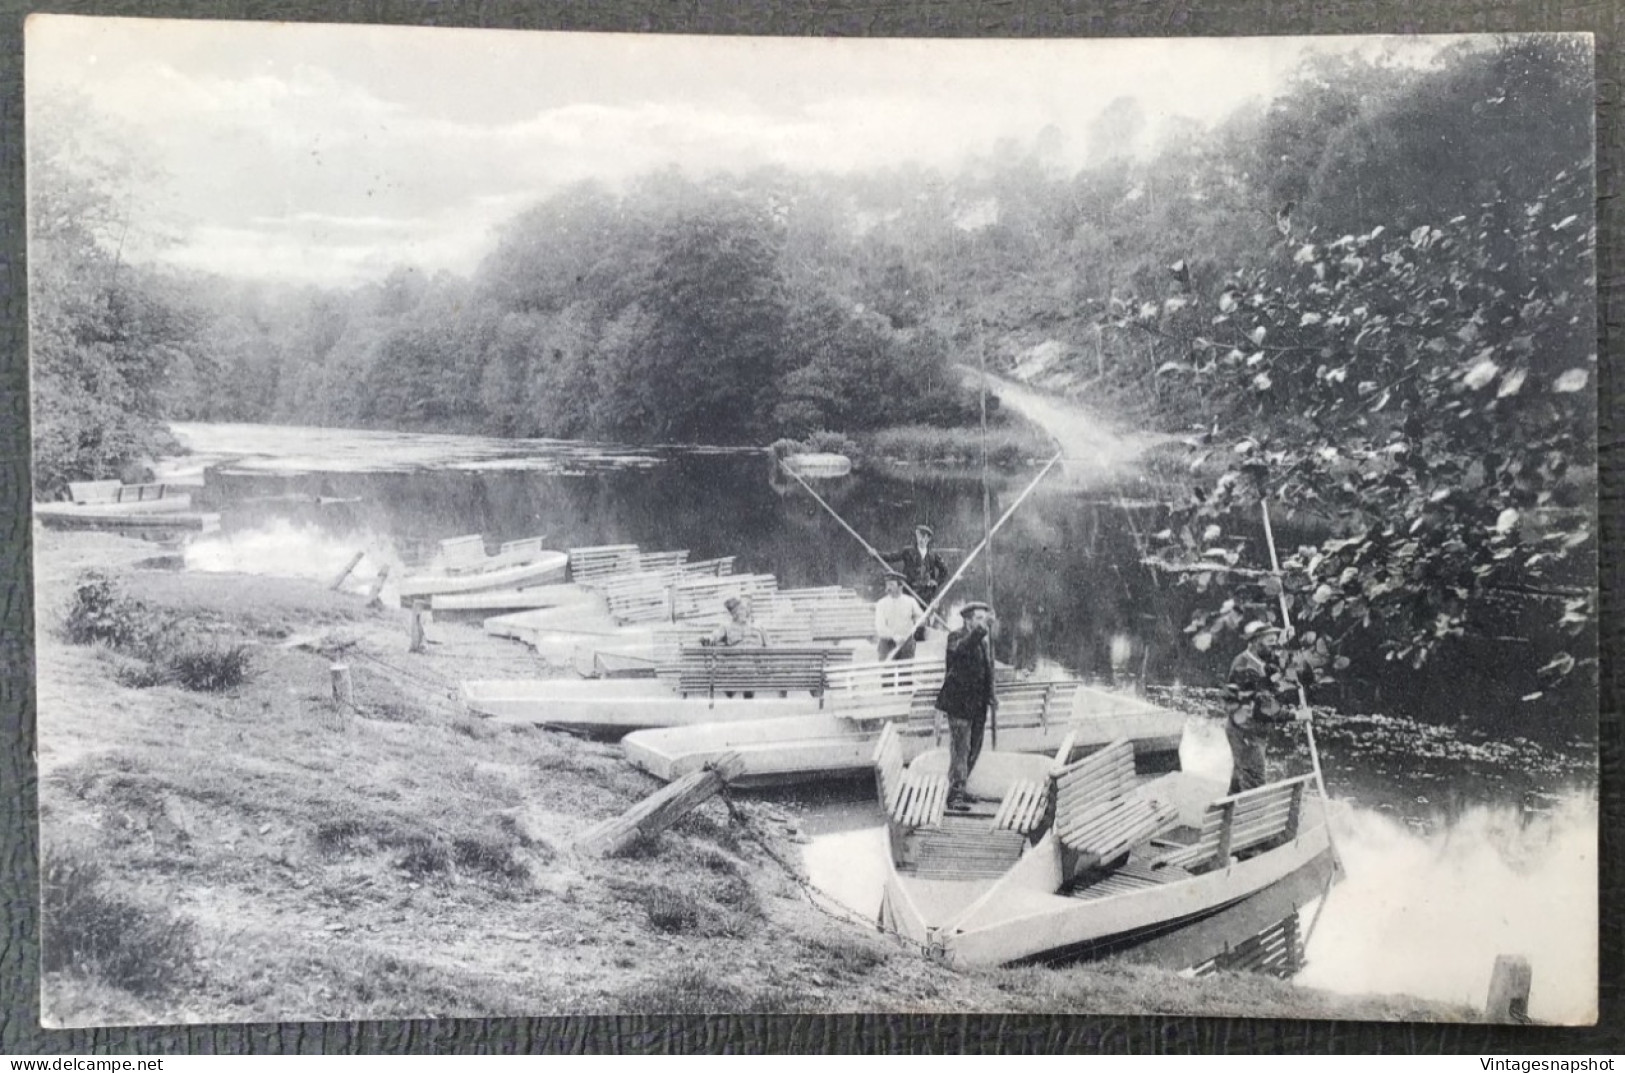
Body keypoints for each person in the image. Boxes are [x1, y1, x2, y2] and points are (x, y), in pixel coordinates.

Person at [1224, 621, 1305, 794]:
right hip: (1246, 733)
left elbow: (1286, 668)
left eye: (1275, 641)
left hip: (1250, 731)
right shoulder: (1245, 668)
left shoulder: (1260, 660)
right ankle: (1252, 819)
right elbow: (1265, 708)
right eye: (1270, 642)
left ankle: (1228, 818)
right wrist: (1296, 715)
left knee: (1241, 779)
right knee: (1255, 784)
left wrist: (1290, 645)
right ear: (1255, 642)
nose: (1274, 646)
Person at [936, 602, 998, 812]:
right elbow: (963, 650)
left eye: (984, 618)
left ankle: (961, 788)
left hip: (978, 704)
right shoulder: (955, 638)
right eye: (979, 619)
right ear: (968, 620)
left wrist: (991, 695)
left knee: (975, 748)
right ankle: (954, 796)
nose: (982, 623)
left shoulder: (982, 641)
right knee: (960, 750)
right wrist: (982, 630)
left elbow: (987, 669)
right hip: (959, 703)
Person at [703, 596, 767, 698]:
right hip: (735, 669)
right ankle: (733, 693)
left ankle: (744, 696)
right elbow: (714, 636)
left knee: (747, 674)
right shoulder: (726, 627)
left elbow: (769, 647)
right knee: (734, 677)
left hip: (751, 670)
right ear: (733, 614)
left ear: (748, 611)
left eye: (744, 609)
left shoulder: (758, 627)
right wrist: (707, 639)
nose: (741, 612)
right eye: (738, 610)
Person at [882, 525, 949, 611]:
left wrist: (936, 582)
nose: (921, 540)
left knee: (923, 617)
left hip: (925, 595)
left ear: (928, 539)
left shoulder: (933, 555)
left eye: (924, 537)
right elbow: (891, 557)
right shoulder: (908, 552)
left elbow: (945, 571)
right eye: (919, 537)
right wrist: (876, 554)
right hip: (909, 591)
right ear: (916, 537)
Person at [873, 571, 922, 662]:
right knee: (887, 674)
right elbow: (880, 627)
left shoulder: (910, 601)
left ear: (900, 586)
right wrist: (895, 637)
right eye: (887, 584)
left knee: (906, 673)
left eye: (891, 585)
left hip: (906, 644)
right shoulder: (881, 604)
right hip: (887, 645)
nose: (888, 588)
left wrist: (931, 611)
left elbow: (921, 619)